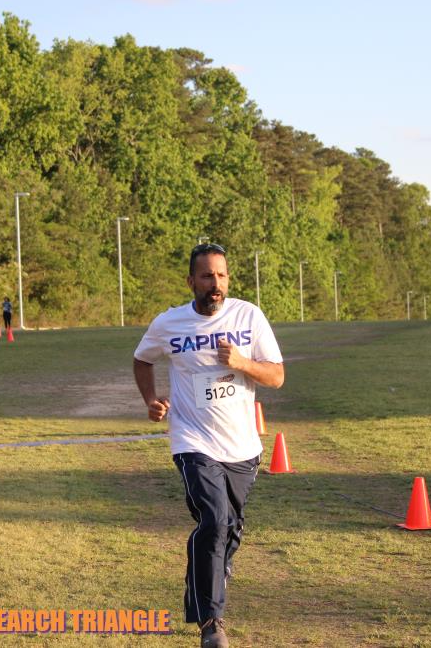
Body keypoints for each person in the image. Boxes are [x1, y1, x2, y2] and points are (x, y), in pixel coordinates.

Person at [133, 243, 285, 648]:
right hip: (193, 440)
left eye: (221, 275)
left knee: (229, 528)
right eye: (206, 276)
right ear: (191, 281)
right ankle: (211, 622)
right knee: (214, 520)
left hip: (242, 446)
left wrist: (242, 363)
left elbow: (276, 377)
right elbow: (142, 359)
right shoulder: (169, 323)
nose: (215, 283)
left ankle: (208, 578)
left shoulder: (248, 316)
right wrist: (151, 400)